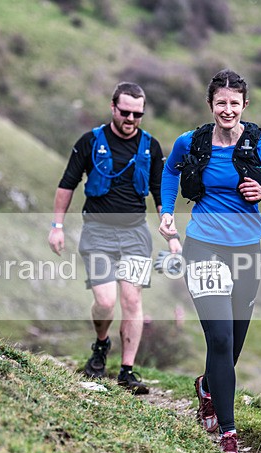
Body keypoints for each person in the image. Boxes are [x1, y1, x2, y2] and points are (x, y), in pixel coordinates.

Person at [158, 69, 261, 453]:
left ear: (244, 105)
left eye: (234, 103)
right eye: (221, 102)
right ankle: (228, 432)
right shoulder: (191, 142)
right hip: (203, 246)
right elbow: (169, 172)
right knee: (218, 337)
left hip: (247, 251)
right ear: (210, 105)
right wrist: (167, 211)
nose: (227, 109)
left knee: (232, 345)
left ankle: (207, 387)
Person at [48, 81, 179, 395]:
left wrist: (171, 234)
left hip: (135, 235)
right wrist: (57, 226)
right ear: (113, 108)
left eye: (137, 114)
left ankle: (127, 371)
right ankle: (101, 344)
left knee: (132, 300)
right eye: (125, 112)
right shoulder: (90, 142)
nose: (131, 119)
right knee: (105, 302)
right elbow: (67, 184)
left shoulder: (151, 147)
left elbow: (160, 193)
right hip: (97, 232)